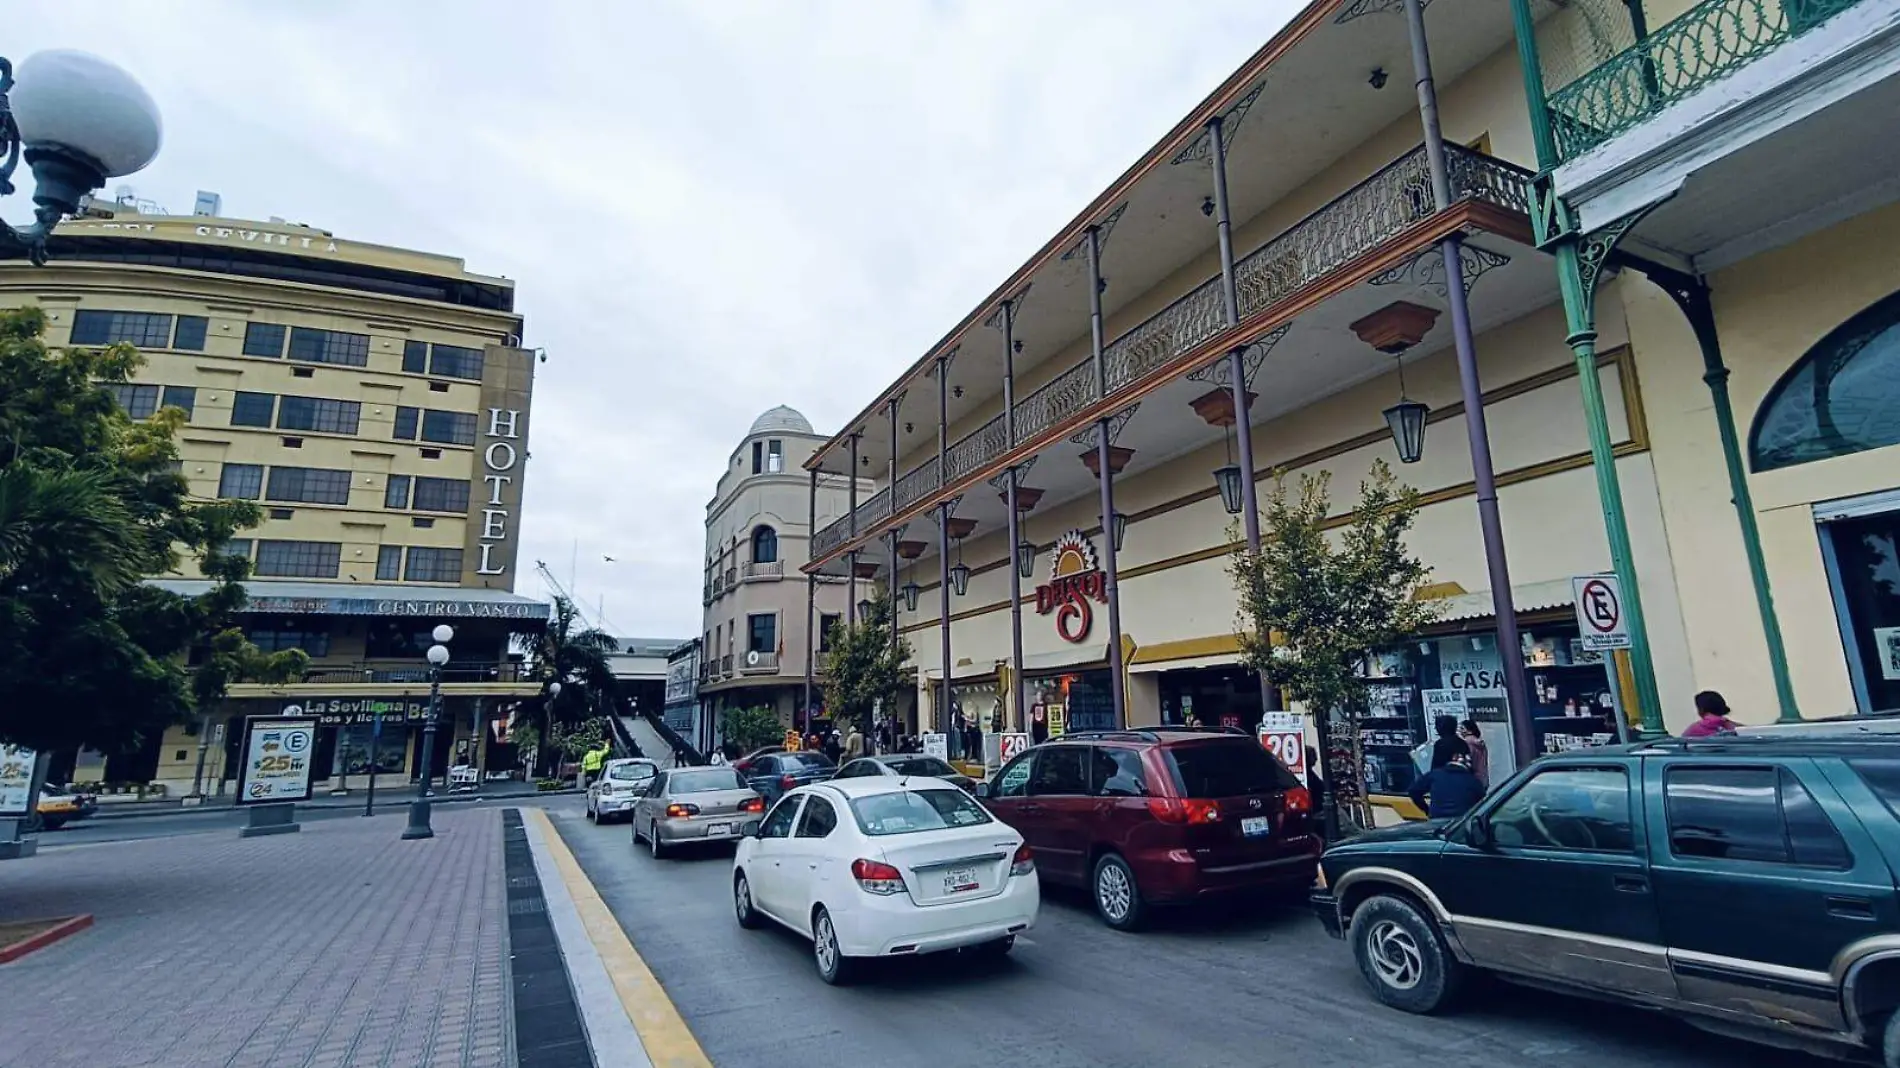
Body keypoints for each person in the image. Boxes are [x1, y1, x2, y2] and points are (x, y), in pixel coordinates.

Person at [1408, 752, 1485, 820]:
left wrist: (1426, 809)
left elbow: (1413, 791)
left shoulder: (1435, 774)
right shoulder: (1473, 780)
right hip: (1461, 823)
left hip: (1437, 819)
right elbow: (1482, 802)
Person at [1458, 719, 1490, 787]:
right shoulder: (1481, 743)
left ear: (1469, 730)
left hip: (1472, 780)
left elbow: (1467, 762)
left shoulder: (1466, 743)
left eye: (1462, 728)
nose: (1460, 731)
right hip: (1483, 779)